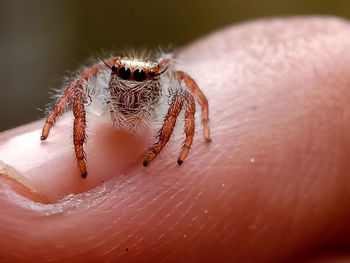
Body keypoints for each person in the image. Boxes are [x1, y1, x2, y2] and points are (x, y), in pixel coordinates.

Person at [0, 17, 350, 262]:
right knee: (79, 93)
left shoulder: (169, 85)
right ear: (113, 73)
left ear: (154, 77)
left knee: (183, 95)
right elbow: (81, 84)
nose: (132, 84)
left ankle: (162, 147)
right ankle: (76, 151)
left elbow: (192, 95)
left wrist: (188, 140)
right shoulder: (102, 84)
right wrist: (59, 134)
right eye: (124, 74)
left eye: (143, 77)